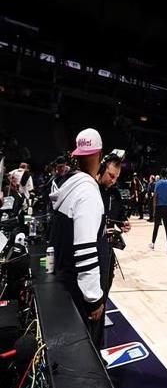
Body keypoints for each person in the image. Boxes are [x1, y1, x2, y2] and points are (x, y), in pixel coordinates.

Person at [49, 128, 105, 346]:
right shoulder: (87, 191)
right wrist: (94, 298)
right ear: (99, 154)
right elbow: (85, 250)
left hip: (62, 280)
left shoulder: (65, 184)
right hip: (78, 290)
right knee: (84, 348)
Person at [96, 153, 131, 345]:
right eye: (111, 175)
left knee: (104, 293)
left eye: (116, 177)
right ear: (101, 170)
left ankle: (98, 341)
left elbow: (120, 216)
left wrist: (124, 224)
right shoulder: (91, 190)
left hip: (107, 252)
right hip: (91, 253)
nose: (113, 180)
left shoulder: (115, 194)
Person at [150, 168, 167, 253]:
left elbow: (155, 197)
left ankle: (153, 244)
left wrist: (154, 210)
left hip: (159, 207)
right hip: (166, 207)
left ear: (161, 175)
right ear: (166, 174)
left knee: (156, 227)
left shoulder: (158, 183)